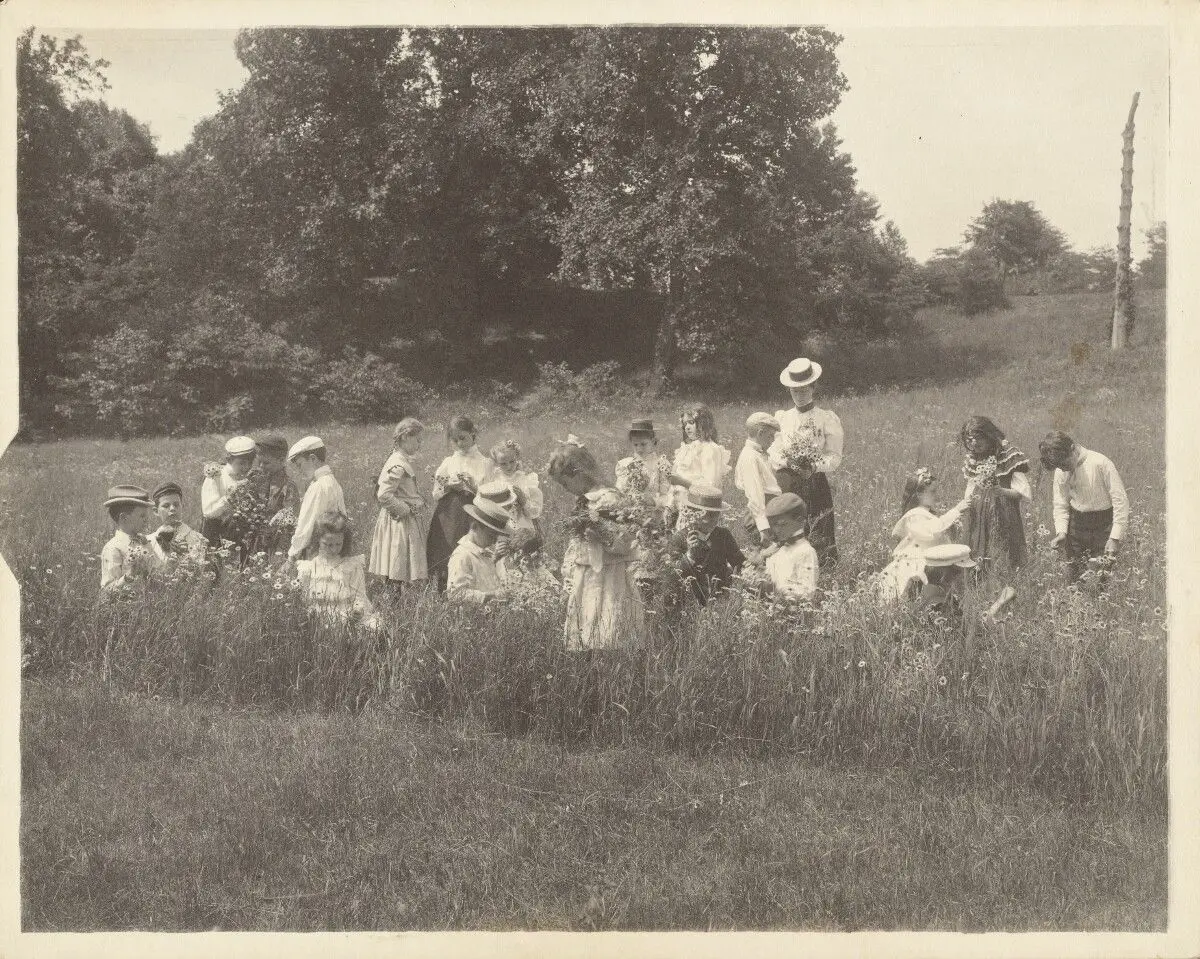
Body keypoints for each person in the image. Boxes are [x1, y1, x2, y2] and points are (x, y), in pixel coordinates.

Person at [548, 437, 645, 651]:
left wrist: (602, 536)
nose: (566, 489)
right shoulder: (584, 500)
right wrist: (569, 571)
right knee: (587, 625)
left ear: (580, 473)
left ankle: (608, 661)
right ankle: (590, 664)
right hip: (588, 573)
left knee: (609, 625)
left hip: (610, 576)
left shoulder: (609, 499)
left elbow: (628, 539)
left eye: (566, 483)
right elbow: (576, 541)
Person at [768, 358, 843, 569]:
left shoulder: (826, 418)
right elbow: (773, 451)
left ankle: (824, 575)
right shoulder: (783, 418)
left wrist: (814, 466)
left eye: (804, 390)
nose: (799, 396)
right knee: (789, 528)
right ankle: (788, 573)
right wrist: (788, 461)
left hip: (814, 482)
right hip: (788, 482)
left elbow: (834, 456)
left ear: (813, 388)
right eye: (795, 391)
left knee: (819, 528)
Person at [1039, 430, 1130, 582]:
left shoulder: (1100, 463)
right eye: (1058, 466)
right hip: (1076, 527)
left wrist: (1115, 538)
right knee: (1072, 579)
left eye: (1064, 464)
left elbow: (1121, 502)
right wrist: (1061, 532)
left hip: (1103, 526)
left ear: (1073, 449)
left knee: (1098, 581)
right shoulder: (1061, 471)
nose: (1062, 469)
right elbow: (1060, 503)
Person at [876, 468, 975, 603]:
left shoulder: (925, 513)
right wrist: (955, 511)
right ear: (918, 494)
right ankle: (922, 600)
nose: (936, 495)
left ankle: (940, 599)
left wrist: (952, 525)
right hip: (917, 557)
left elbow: (938, 531)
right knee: (913, 583)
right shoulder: (914, 515)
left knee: (944, 576)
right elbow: (930, 532)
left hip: (930, 556)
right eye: (932, 492)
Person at [426, 415, 498, 593]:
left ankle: (473, 590)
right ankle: (444, 592)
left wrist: (473, 487)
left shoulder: (485, 463)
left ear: (473, 434)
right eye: (455, 440)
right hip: (448, 515)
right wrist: (449, 485)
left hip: (473, 515)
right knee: (445, 551)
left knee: (471, 550)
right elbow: (436, 493)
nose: (459, 443)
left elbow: (491, 494)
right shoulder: (449, 462)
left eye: (462, 438)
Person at [960, 415, 1032, 571]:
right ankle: (981, 579)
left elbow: (1021, 493)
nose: (973, 444)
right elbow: (971, 486)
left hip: (1003, 512)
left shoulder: (1008, 455)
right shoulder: (974, 458)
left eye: (977, 438)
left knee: (1002, 547)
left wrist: (1000, 491)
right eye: (969, 440)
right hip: (978, 513)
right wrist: (966, 505)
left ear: (989, 436)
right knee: (978, 546)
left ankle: (1005, 579)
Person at [369, 418, 429, 593]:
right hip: (398, 522)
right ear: (405, 437)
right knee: (396, 560)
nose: (420, 444)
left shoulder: (401, 459)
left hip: (403, 520)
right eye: (417, 439)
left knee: (400, 562)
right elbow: (384, 494)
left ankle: (397, 598)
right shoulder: (397, 463)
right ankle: (393, 599)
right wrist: (405, 509)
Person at [666, 485, 746, 609]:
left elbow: (739, 563)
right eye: (708, 516)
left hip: (720, 598)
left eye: (716, 515)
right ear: (693, 515)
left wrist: (751, 570)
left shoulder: (723, 534)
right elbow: (673, 574)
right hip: (689, 601)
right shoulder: (679, 538)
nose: (713, 520)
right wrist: (690, 555)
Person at [295, 511, 376, 626]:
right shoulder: (309, 568)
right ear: (318, 540)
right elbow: (303, 598)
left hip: (347, 615)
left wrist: (357, 611)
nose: (334, 549)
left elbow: (359, 595)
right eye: (328, 545)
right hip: (320, 617)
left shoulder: (352, 566)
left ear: (344, 541)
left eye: (338, 544)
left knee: (374, 627)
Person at [286, 436, 347, 564]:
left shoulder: (318, 486)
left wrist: (292, 556)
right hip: (333, 548)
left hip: (318, 551)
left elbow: (306, 525)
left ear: (313, 459)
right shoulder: (332, 481)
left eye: (300, 465)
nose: (299, 471)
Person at [669, 405, 732, 527]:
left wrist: (683, 483)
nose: (687, 427)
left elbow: (711, 487)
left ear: (703, 422)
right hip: (682, 506)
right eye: (684, 424)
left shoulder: (710, 449)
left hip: (700, 509)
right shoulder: (686, 449)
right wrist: (670, 505)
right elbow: (674, 478)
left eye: (691, 423)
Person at [446, 495, 512, 604]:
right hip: (473, 616)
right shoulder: (462, 555)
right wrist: (489, 596)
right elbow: (455, 594)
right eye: (491, 536)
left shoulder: (485, 552)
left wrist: (495, 560)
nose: (494, 541)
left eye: (496, 537)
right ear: (474, 526)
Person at [100, 485, 163, 592]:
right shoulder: (113, 548)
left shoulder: (144, 542)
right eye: (142, 516)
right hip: (125, 606)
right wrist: (129, 576)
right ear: (124, 518)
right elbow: (107, 591)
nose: (146, 520)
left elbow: (157, 573)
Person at [735, 412, 782, 549]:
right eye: (770, 436)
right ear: (760, 433)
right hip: (761, 514)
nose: (772, 440)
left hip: (769, 510)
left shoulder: (758, 454)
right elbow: (755, 494)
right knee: (765, 557)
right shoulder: (750, 457)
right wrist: (763, 528)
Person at [249, 433, 300, 559]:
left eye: (266, 463)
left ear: (281, 460)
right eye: (259, 462)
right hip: (253, 542)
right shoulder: (255, 479)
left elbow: (289, 523)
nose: (261, 467)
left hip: (275, 546)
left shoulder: (288, 487)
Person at [762, 493, 819, 603]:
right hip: (770, 609)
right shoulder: (775, 549)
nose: (776, 530)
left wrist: (776, 589)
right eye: (773, 525)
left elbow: (807, 592)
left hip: (793, 614)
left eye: (782, 524)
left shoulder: (806, 552)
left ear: (800, 520)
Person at [489, 439, 546, 549]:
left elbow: (535, 513)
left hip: (523, 526)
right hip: (502, 526)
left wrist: (523, 500)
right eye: (503, 464)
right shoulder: (494, 480)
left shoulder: (526, 480)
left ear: (517, 459)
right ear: (497, 463)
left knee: (523, 557)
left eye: (512, 462)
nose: (509, 466)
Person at [200, 436, 256, 545]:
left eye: (250, 463)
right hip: (217, 533)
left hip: (242, 533)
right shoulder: (216, 476)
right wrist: (229, 498)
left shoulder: (249, 477)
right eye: (241, 463)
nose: (246, 467)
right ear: (229, 460)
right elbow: (208, 512)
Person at [615, 419, 674, 516]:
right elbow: (619, 492)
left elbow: (668, 496)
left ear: (653, 441)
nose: (639, 449)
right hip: (629, 512)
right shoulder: (625, 465)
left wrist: (653, 501)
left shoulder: (662, 465)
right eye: (636, 444)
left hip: (654, 513)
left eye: (643, 444)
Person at [908, 543, 977, 623]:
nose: (966, 576)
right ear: (947, 575)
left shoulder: (938, 592)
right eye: (960, 572)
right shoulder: (938, 603)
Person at [147, 481, 209, 565]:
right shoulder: (150, 541)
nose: (172, 508)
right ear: (156, 511)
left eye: (176, 505)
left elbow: (203, 572)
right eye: (166, 506)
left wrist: (187, 558)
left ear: (182, 506)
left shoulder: (198, 539)